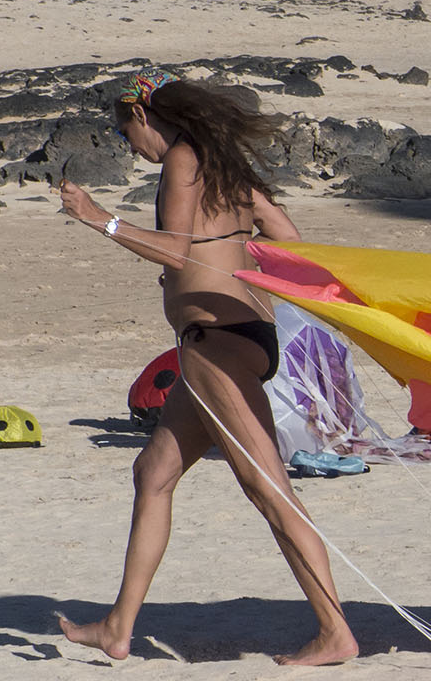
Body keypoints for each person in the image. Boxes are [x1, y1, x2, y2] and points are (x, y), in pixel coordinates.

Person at [55, 70, 357, 666]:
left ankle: (334, 630)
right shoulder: (222, 164)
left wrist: (99, 218)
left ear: (145, 117)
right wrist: (228, 256)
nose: (130, 149)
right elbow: (287, 236)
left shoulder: (182, 160)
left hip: (216, 345)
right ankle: (119, 626)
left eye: (125, 135)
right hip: (237, 339)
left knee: (270, 491)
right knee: (154, 472)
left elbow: (175, 247)